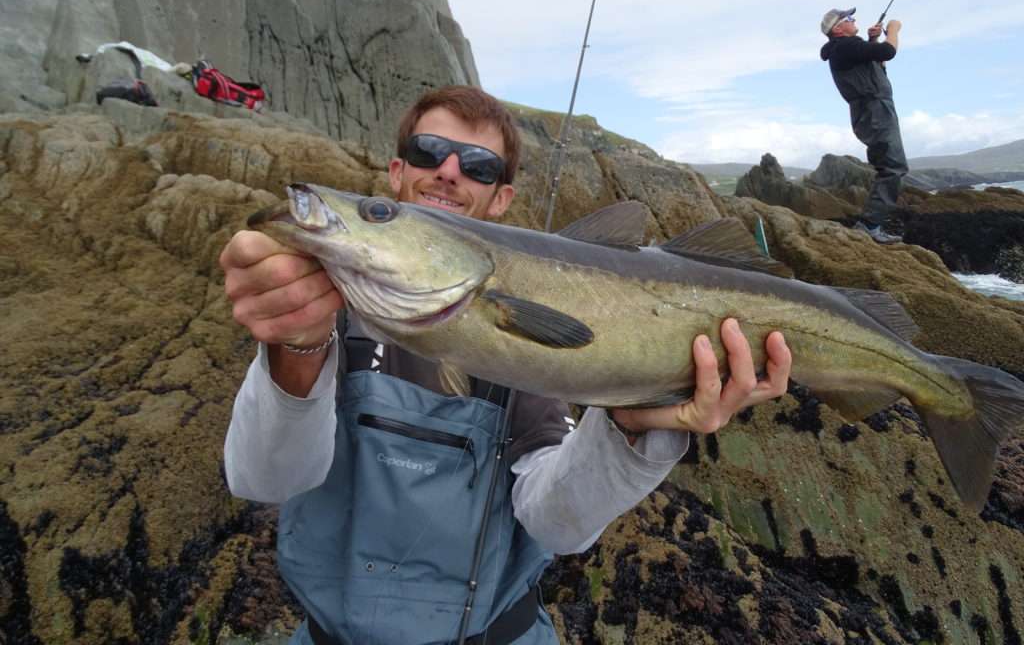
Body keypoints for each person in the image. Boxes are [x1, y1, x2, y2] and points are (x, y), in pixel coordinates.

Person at [220, 86, 792, 645]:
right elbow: (266, 480)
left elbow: (556, 525)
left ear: (502, 202)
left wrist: (630, 423)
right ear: (396, 173)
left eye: (478, 165)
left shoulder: (520, 351)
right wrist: (293, 347)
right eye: (427, 153)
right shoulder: (324, 315)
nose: (448, 171)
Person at [820, 7, 908, 244]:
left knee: (888, 166)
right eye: (849, 18)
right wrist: (893, 29)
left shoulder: (847, 49)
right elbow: (888, 52)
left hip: (871, 110)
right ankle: (869, 225)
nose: (854, 19)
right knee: (893, 167)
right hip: (874, 110)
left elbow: (877, 64)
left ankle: (871, 223)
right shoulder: (846, 47)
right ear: (838, 28)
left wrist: (872, 39)